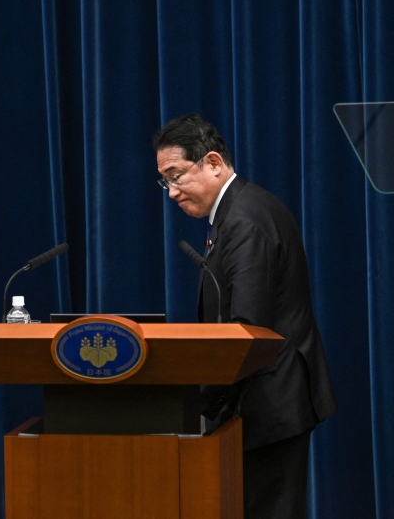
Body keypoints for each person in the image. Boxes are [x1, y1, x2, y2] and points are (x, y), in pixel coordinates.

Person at [154, 114, 337, 519]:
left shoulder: (245, 220)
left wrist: (203, 407)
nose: (171, 192)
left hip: (270, 405)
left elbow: (246, 331)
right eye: (165, 181)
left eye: (176, 176)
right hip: (266, 401)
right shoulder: (239, 211)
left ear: (214, 163)